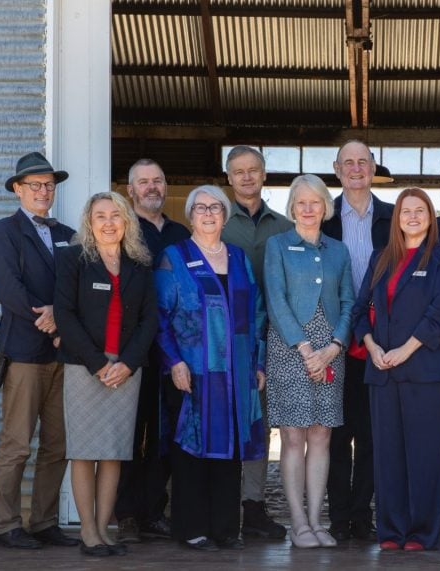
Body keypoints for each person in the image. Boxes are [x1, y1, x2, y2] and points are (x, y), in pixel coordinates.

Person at [154, 185, 267, 552]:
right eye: (200, 207)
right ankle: (191, 527)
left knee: (229, 450)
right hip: (195, 371)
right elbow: (160, 316)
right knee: (192, 449)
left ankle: (225, 528)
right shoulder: (175, 256)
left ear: (224, 215)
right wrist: (175, 362)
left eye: (215, 207)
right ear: (190, 216)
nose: (207, 213)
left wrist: (258, 362)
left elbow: (257, 313)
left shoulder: (237, 257)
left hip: (235, 373)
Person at [351, 188, 440, 551]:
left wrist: (403, 350)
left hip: (425, 372)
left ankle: (421, 531)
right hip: (382, 372)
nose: (412, 217)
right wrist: (374, 347)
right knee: (387, 455)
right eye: (405, 211)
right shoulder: (381, 258)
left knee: (423, 455)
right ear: (396, 219)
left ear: (431, 217)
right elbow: (359, 312)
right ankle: (391, 531)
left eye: (420, 210)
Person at [53, 192, 158, 557]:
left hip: (126, 369)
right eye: (101, 216)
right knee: (84, 451)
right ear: (89, 223)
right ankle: (87, 532)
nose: (109, 222)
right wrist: (99, 364)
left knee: (113, 451)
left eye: (116, 215)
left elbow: (150, 320)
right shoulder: (73, 260)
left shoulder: (139, 265)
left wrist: (127, 363)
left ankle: (103, 529)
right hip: (86, 367)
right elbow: (65, 315)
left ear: (126, 222)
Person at [0, 152, 80, 550]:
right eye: (35, 185)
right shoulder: (3, 231)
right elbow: (9, 289)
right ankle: (8, 525)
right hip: (23, 352)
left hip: (61, 355)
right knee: (17, 444)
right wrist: (49, 321)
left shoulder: (68, 233)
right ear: (18, 190)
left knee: (57, 444)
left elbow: (76, 287)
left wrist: (62, 318)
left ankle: (43, 522)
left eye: (49, 185)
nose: (43, 192)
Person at [263, 174, 355, 548]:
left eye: (314, 201)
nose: (307, 208)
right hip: (290, 349)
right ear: (291, 207)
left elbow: (349, 301)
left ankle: (318, 521)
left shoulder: (339, 250)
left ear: (325, 206)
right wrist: (304, 349)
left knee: (322, 434)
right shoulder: (278, 245)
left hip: (331, 349)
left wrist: (334, 346)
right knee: (293, 436)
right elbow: (275, 298)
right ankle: (297, 523)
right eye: (300, 202)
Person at [321, 140, 394, 541]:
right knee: (335, 433)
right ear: (337, 168)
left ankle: (362, 515)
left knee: (369, 434)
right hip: (332, 338)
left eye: (362, 161)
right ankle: (338, 516)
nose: (355, 168)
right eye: (347, 162)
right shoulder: (323, 215)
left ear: (372, 167)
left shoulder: (394, 216)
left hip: (378, 340)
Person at [115, 158, 189, 544]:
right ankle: (126, 513)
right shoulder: (123, 230)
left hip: (173, 353)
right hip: (133, 351)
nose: (151, 187)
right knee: (131, 433)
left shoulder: (181, 233)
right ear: (131, 190)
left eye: (158, 181)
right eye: (143, 182)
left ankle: (154, 511)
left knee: (165, 436)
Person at [220, 145, 292, 539]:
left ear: (264, 175)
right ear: (228, 177)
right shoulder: (216, 222)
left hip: (273, 341)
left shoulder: (284, 227)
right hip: (222, 341)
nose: (247, 177)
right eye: (239, 171)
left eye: (254, 170)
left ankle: (253, 505)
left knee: (259, 425)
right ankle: (224, 503)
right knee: (224, 420)